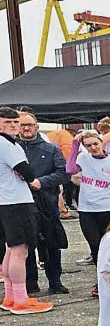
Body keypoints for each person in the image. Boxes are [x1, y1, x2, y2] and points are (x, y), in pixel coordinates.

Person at [0, 106, 53, 314]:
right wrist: (29, 175)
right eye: (8, 122)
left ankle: (11, 297)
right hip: (16, 202)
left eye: (16, 122)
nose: (14, 125)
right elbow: (27, 172)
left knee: (11, 249)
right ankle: (21, 300)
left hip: (6, 201)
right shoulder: (7, 145)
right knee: (20, 251)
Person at [68, 127, 110, 291]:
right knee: (95, 247)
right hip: (87, 210)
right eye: (88, 145)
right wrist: (75, 144)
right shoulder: (83, 158)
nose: (93, 148)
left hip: (108, 209)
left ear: (102, 142)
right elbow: (70, 169)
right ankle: (101, 281)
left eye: (96, 144)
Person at [15, 107, 69, 295]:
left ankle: (55, 281)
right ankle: (30, 283)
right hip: (20, 203)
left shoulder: (51, 149)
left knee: (51, 243)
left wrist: (42, 182)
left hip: (47, 202)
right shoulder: (11, 148)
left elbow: (63, 174)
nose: (26, 128)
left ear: (37, 126)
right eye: (22, 125)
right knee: (25, 244)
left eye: (29, 125)